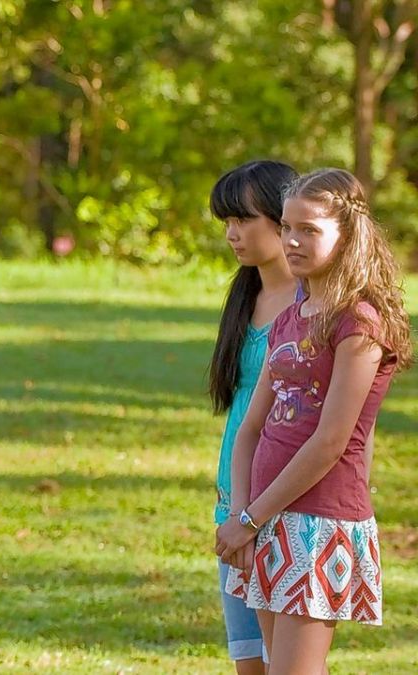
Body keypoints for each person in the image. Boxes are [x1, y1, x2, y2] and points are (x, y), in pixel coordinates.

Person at [215, 168, 411, 672]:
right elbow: (250, 429)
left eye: (309, 230)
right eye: (286, 227)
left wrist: (251, 518)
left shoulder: (360, 322)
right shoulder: (290, 317)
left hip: (318, 522)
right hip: (264, 519)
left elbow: (330, 442)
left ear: (347, 237)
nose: (292, 240)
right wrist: (243, 516)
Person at [206, 159, 298, 674]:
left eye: (243, 219)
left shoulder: (312, 306)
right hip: (232, 493)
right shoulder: (247, 296)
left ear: (282, 219)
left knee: (290, 661)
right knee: (248, 661)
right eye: (227, 221)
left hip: (283, 497)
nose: (232, 234)